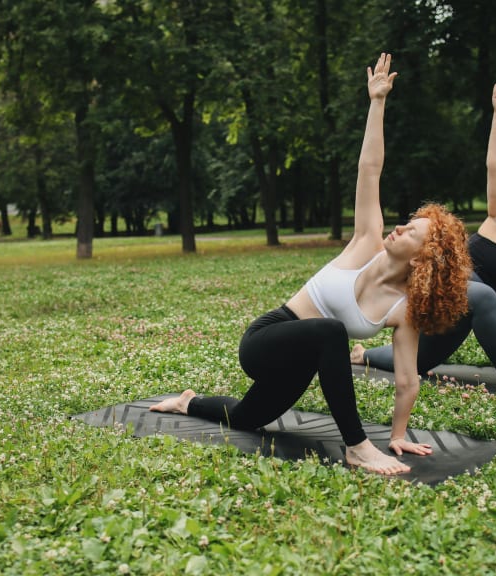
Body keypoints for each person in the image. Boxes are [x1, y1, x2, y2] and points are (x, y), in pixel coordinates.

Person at [149, 53, 472, 475]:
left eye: (413, 231)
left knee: (248, 417)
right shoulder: (365, 243)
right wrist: (377, 103)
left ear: (424, 257)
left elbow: (408, 379)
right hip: (268, 338)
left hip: (305, 359)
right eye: (407, 222)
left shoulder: (403, 309)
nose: (399, 227)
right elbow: (370, 169)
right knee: (332, 331)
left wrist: (397, 435)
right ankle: (356, 447)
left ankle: (186, 400)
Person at [352, 75, 496, 399]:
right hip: (432, 292)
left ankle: (363, 355)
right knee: (484, 295)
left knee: (419, 360)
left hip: (453, 318)